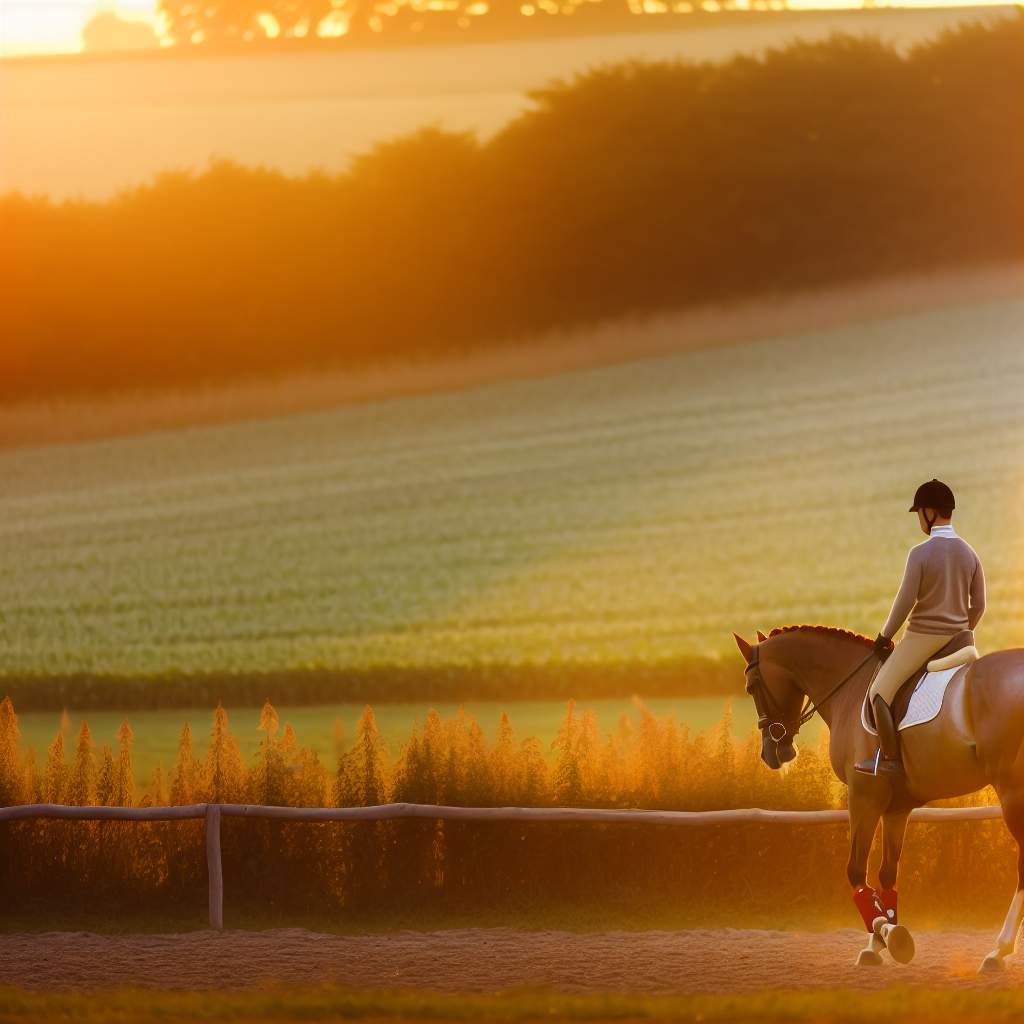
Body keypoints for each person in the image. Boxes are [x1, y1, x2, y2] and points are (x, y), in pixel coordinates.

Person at [854, 479, 986, 777]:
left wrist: (884, 636)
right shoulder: (970, 553)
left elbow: (904, 602)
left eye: (919, 514)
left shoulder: (920, 554)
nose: (918, 520)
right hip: (960, 641)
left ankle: (890, 760)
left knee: (879, 693)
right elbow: (980, 604)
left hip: (922, 639)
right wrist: (963, 629)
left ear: (929, 512)